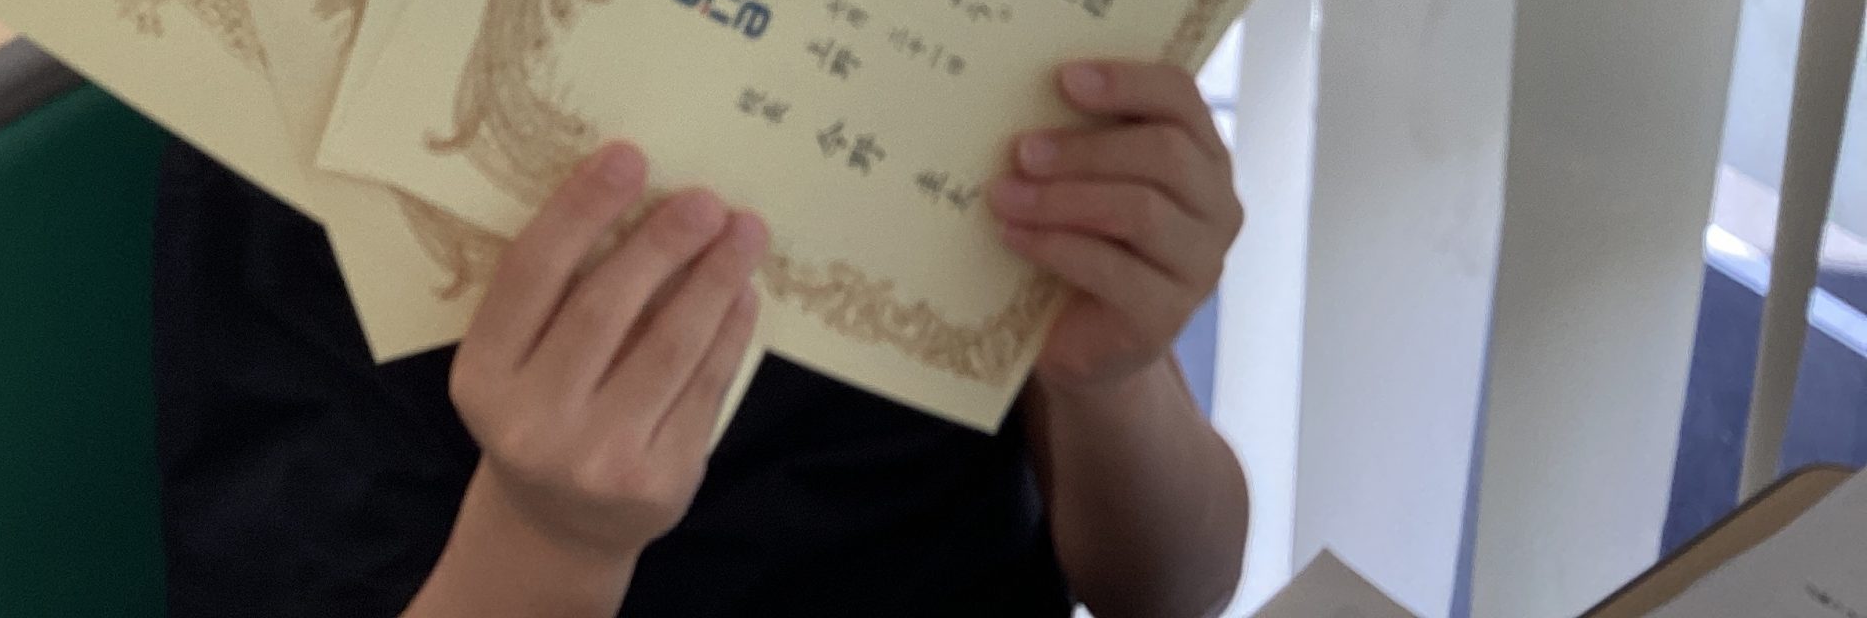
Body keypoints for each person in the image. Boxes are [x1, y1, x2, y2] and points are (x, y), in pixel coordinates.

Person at [152, 59, 1248, 617]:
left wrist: (1113, 377)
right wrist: (551, 539)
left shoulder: (966, 68)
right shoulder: (310, 164)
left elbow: (1171, 587)